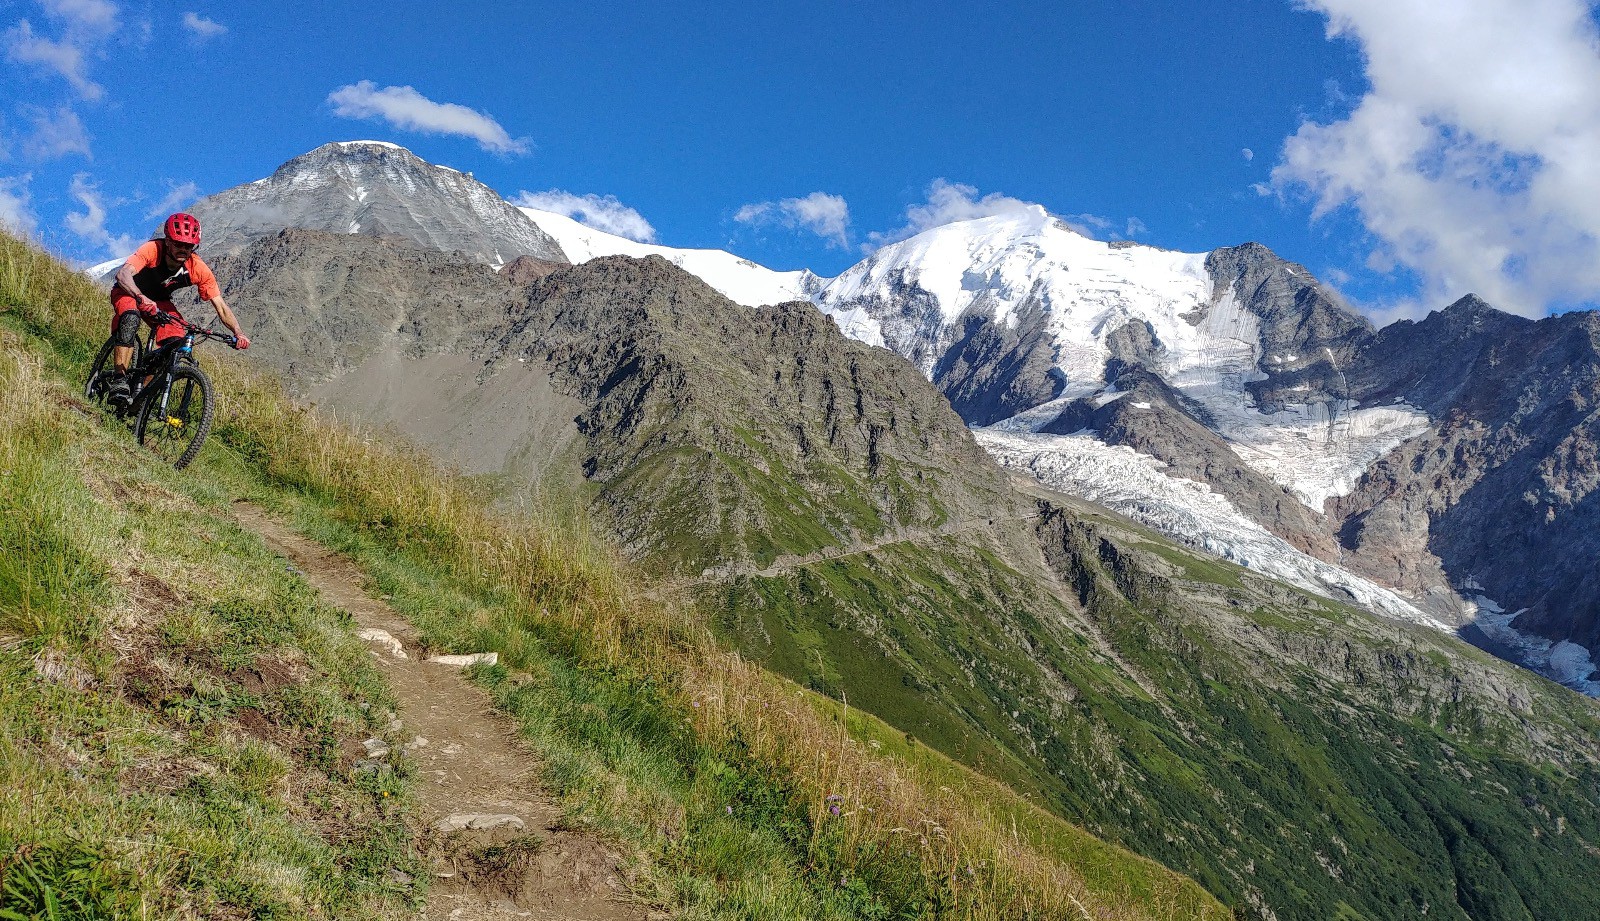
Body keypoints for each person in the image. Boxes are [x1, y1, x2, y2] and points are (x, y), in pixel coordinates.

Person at [105, 212, 249, 405]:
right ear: (168, 241)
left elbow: (221, 306)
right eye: (178, 244)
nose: (184, 249)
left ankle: (141, 399)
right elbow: (123, 275)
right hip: (129, 292)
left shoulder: (196, 267)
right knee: (131, 318)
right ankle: (119, 380)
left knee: (175, 343)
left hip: (160, 301)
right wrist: (140, 297)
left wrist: (238, 333)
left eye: (189, 246)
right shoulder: (152, 249)